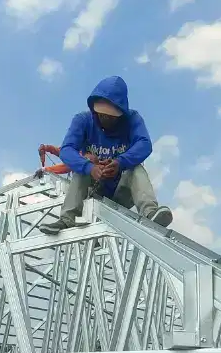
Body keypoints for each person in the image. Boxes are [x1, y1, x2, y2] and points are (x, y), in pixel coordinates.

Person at [40, 76, 173, 235]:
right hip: (93, 192)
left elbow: (144, 144)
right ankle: (67, 219)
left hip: (121, 191)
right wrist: (90, 168)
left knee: (135, 168)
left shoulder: (132, 119)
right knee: (81, 168)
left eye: (111, 116)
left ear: (121, 113)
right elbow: (67, 150)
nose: (105, 119)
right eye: (102, 114)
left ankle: (150, 213)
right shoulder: (82, 121)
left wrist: (120, 162)